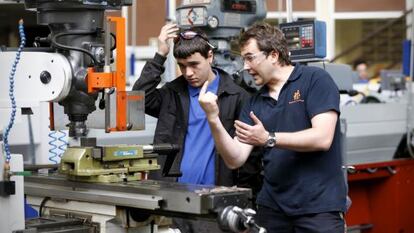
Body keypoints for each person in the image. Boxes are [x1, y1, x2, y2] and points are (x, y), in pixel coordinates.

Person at [198, 22, 347, 233]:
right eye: (244, 60)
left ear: (274, 55)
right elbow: (235, 158)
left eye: (250, 57)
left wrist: (269, 138)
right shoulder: (254, 102)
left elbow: (322, 138)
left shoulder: (315, 80)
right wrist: (213, 118)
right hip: (272, 209)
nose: (246, 67)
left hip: (319, 208)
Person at [133, 23, 262, 232]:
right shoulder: (172, 93)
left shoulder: (238, 97)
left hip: (215, 206)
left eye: (194, 64)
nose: (188, 72)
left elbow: (249, 160)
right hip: (172, 204)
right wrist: (160, 54)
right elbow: (138, 99)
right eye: (182, 65)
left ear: (210, 56)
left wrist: (243, 200)